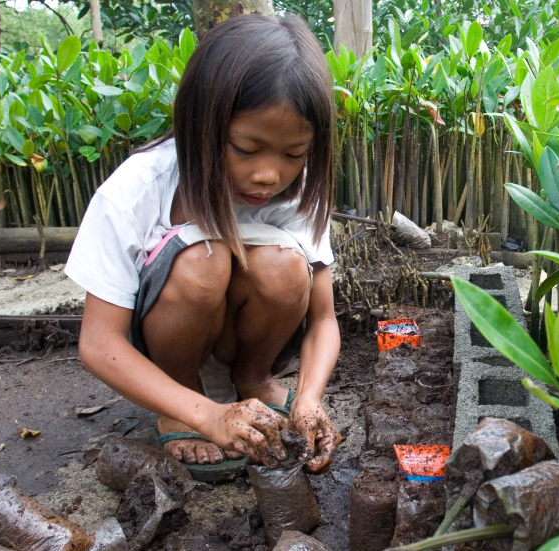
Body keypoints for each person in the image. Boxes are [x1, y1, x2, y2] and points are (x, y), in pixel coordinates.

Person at [65, 14, 341, 476]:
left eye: (294, 154)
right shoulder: (138, 188)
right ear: (201, 125)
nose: (269, 175)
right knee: (202, 261)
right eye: (247, 148)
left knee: (285, 267)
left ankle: (252, 380)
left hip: (242, 344)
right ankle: (180, 400)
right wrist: (208, 416)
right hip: (167, 348)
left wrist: (310, 397)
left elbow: (324, 318)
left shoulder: (300, 192)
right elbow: (98, 342)